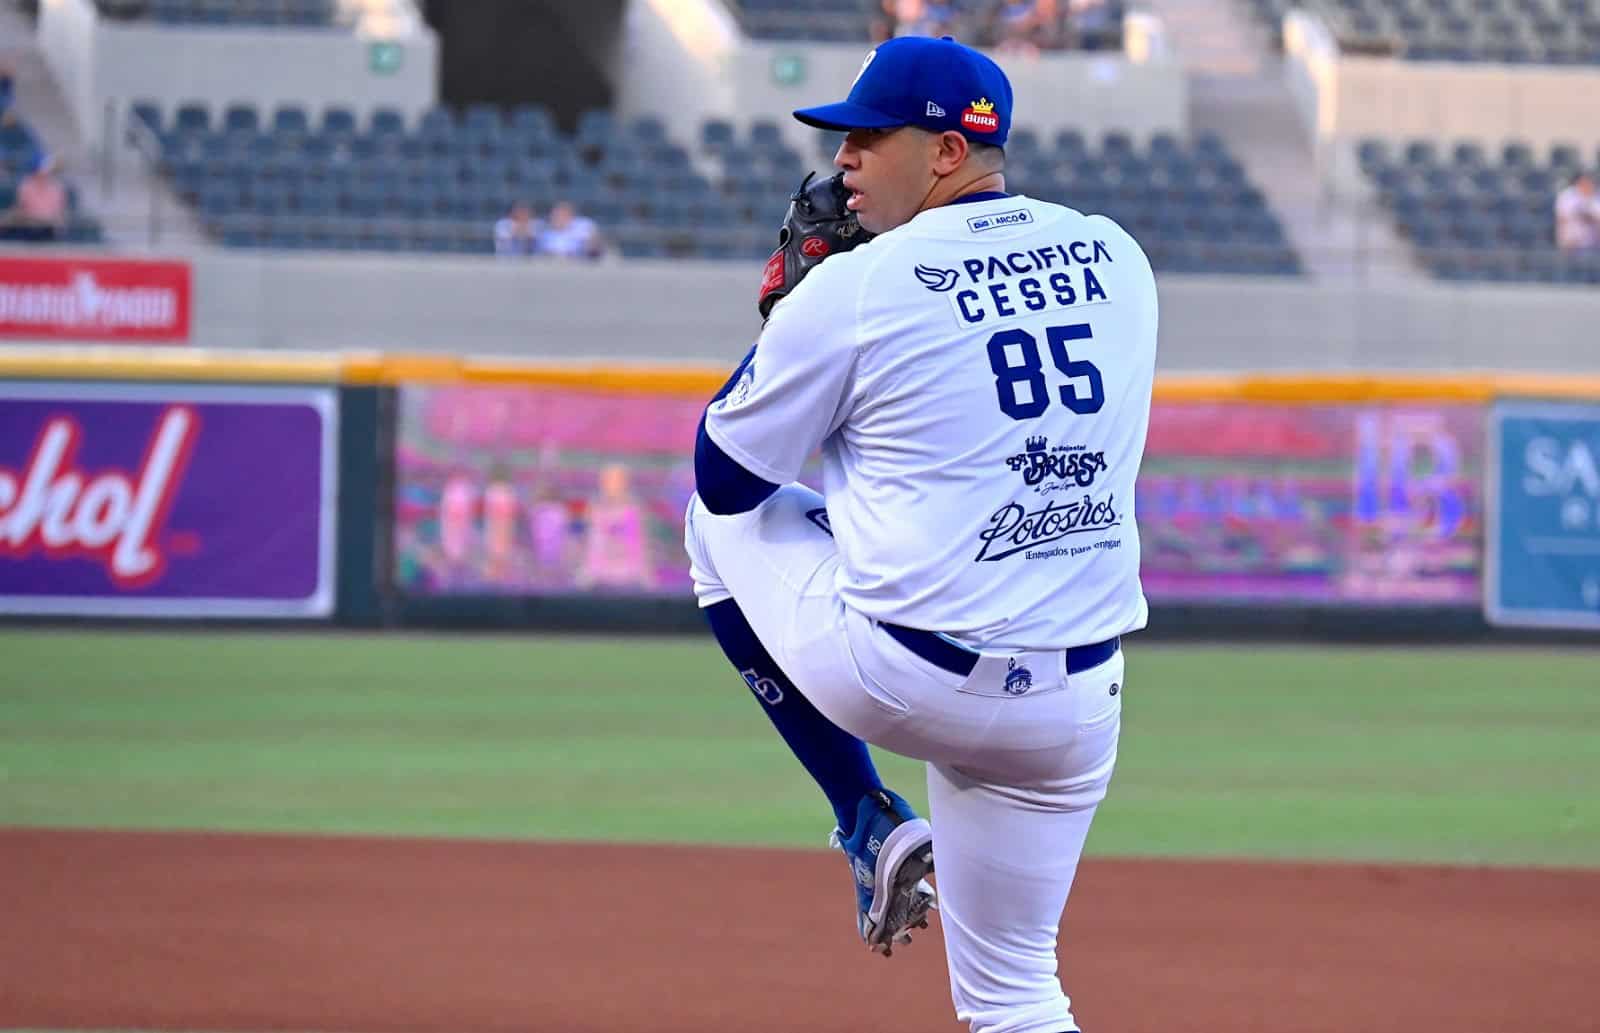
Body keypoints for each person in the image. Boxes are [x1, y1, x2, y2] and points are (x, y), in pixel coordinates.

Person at [683, 34, 1158, 1033]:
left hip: (907, 675)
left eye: (870, 137)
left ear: (946, 151)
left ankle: (862, 812)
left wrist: (787, 320)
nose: (843, 157)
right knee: (1018, 996)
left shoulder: (859, 287)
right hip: (1073, 708)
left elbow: (725, 479)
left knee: (709, 527)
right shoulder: (1117, 255)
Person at [0, 152, 67, 243]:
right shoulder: (26, 185)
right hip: (28, 230)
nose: (47, 172)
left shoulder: (56, 188)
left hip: (49, 231)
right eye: (45, 168)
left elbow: (60, 215)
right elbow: (20, 210)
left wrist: (55, 223)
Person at [533, 199, 605, 260]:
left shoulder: (583, 226)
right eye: (556, 215)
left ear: (571, 215)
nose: (559, 218)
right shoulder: (543, 230)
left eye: (563, 214)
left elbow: (596, 244)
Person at [1554, 172, 1600, 253]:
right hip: (1571, 244)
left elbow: (1596, 218)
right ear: (1578, 183)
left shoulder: (1597, 196)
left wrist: (1586, 215)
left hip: (1593, 244)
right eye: (1584, 182)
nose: (1587, 185)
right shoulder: (1568, 195)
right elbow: (1563, 218)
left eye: (1589, 182)